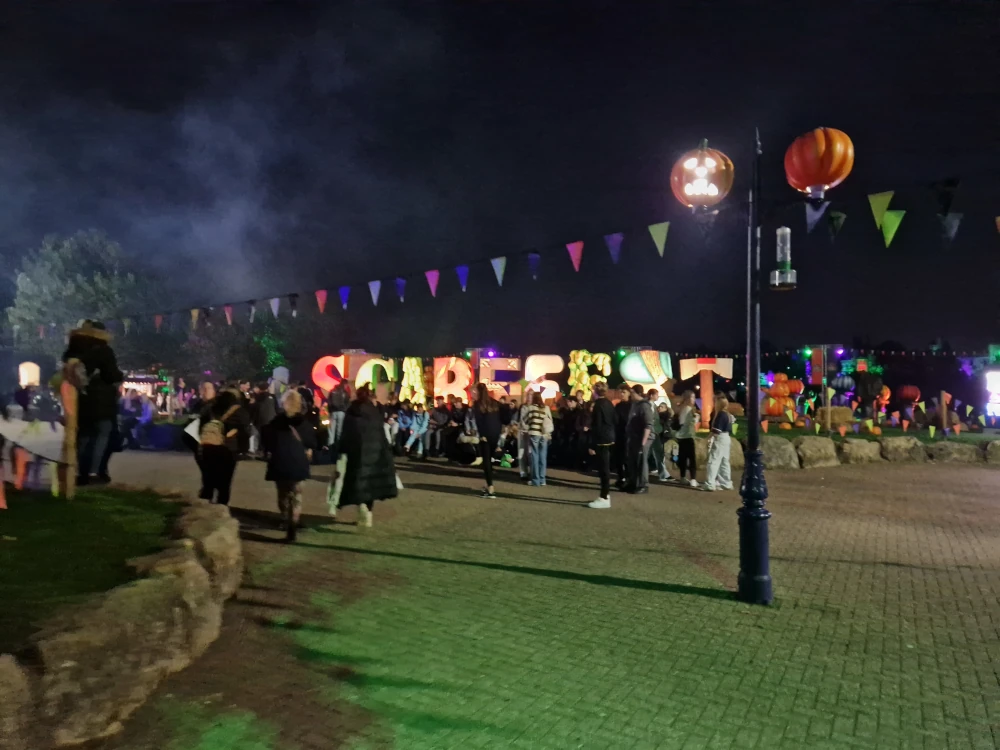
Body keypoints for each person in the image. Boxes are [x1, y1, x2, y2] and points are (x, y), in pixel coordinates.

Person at [63, 320, 124, 485]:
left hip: (80, 400)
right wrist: (119, 376)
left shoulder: (73, 350)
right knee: (102, 434)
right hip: (101, 401)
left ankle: (80, 472)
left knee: (83, 436)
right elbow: (112, 375)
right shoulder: (103, 350)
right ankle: (94, 471)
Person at [336, 385, 398, 528]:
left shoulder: (352, 411)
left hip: (357, 453)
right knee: (371, 485)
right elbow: (380, 432)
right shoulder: (374, 411)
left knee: (358, 483)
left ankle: (362, 509)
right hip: (375, 453)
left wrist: (342, 450)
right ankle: (368, 512)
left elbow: (346, 433)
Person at [264, 389, 317, 541]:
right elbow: (312, 442)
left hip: (280, 461)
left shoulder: (276, 422)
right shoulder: (304, 423)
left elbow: (267, 441)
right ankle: (293, 524)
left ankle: (285, 519)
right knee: (297, 496)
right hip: (298, 462)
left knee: (283, 495)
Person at [196, 385, 249, 505]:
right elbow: (245, 432)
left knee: (208, 479)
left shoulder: (209, 409)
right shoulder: (239, 411)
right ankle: (221, 506)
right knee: (225, 482)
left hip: (208, 447)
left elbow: (200, 426)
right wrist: (242, 449)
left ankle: (205, 504)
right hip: (228, 449)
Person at [586, 382, 618, 509]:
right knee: (605, 467)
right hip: (610, 436)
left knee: (603, 469)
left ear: (595, 392)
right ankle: (605, 495)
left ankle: (604, 496)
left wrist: (592, 444)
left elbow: (597, 425)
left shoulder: (598, 405)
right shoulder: (609, 403)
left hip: (601, 438)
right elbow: (615, 420)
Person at [469, 382, 502, 498]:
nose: (471, 394)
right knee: (489, 460)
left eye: (473, 392)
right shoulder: (494, 403)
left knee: (486, 461)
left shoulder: (478, 404)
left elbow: (479, 422)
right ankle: (487, 485)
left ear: (477, 392)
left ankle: (491, 488)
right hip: (495, 434)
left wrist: (482, 434)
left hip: (486, 435)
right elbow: (503, 415)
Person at [625, 385, 656, 494]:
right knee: (632, 460)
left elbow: (648, 425)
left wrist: (643, 443)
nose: (630, 395)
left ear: (637, 393)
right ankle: (633, 482)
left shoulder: (644, 406)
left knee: (642, 461)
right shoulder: (634, 404)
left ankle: (643, 484)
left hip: (643, 437)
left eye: (632, 392)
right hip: (634, 436)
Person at [703, 394, 735, 492]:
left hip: (720, 438)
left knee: (713, 461)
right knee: (724, 462)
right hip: (726, 438)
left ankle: (710, 484)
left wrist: (708, 438)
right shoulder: (728, 414)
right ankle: (726, 483)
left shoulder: (721, 414)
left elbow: (716, 431)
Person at [521, 390, 553, 486]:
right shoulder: (546, 408)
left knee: (534, 456)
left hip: (534, 434)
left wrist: (530, 425)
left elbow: (525, 420)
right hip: (544, 435)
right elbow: (550, 421)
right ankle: (542, 479)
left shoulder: (531, 408)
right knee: (543, 456)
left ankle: (535, 480)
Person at [674, 390, 699, 487]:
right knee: (692, 458)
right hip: (688, 436)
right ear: (688, 398)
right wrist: (695, 419)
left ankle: (683, 477)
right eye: (693, 397)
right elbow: (683, 422)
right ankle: (693, 479)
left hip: (681, 437)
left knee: (683, 458)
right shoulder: (688, 409)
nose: (694, 399)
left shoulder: (681, 408)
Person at [613, 386, 632, 491]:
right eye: (621, 392)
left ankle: (628, 479)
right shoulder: (618, 405)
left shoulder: (632, 406)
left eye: (624, 392)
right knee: (618, 458)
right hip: (618, 434)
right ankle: (621, 478)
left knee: (626, 458)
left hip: (628, 435)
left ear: (629, 393)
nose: (622, 394)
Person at [326, 380, 350, 451]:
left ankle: (330, 447)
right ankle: (339, 448)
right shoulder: (345, 392)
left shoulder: (332, 390)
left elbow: (329, 401)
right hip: (341, 412)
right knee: (339, 431)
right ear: (345, 384)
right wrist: (345, 410)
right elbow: (347, 402)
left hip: (333, 412)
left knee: (331, 431)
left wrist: (330, 410)